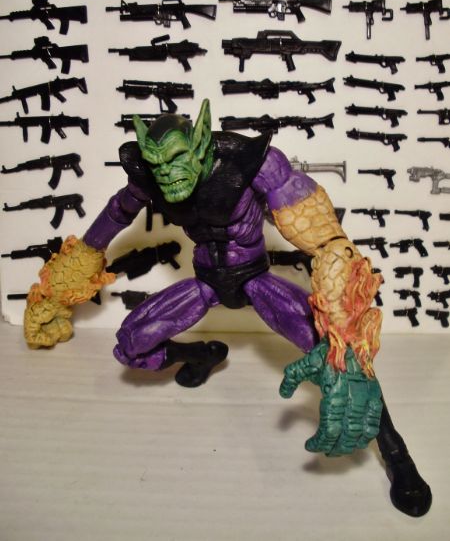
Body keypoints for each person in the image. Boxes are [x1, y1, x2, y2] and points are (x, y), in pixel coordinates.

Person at [23, 99, 431, 517]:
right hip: (206, 282)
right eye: (158, 165)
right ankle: (201, 355)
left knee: (340, 355)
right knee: (130, 345)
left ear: (200, 142)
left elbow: (326, 239)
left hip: (255, 279)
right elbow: (110, 220)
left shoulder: (255, 164)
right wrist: (59, 288)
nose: (167, 173)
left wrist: (340, 308)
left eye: (176, 159)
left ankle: (395, 452)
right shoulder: (150, 176)